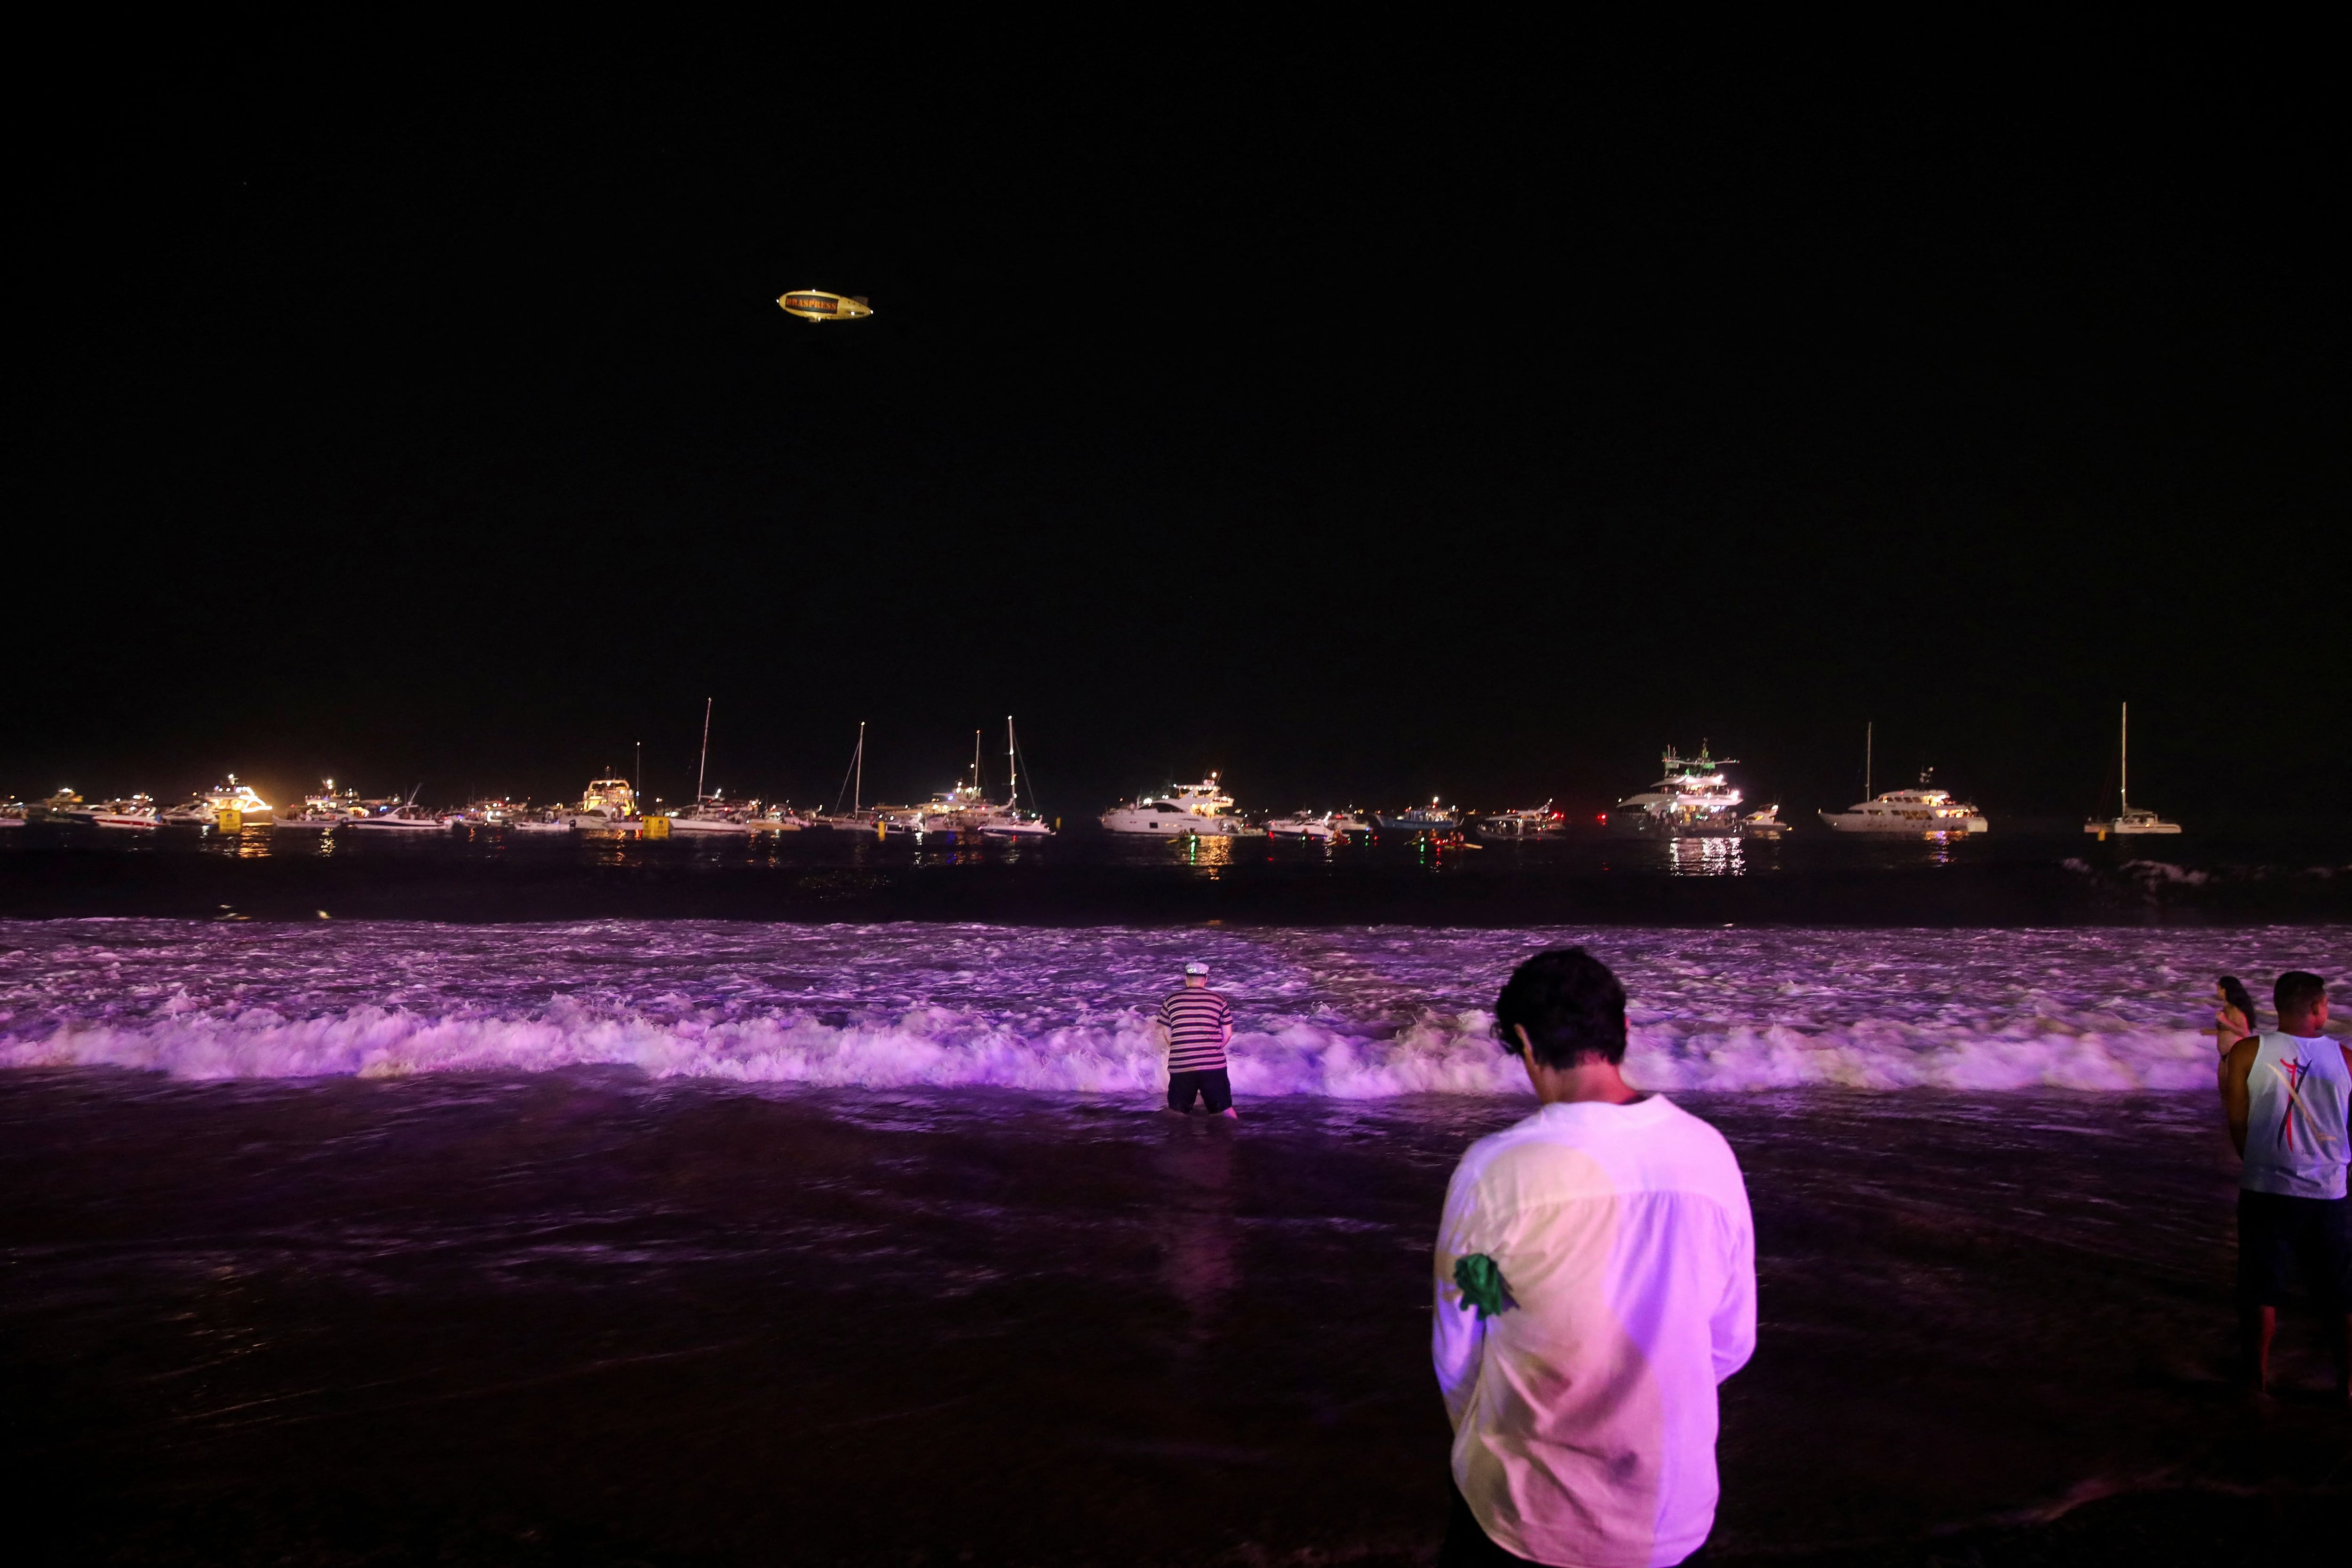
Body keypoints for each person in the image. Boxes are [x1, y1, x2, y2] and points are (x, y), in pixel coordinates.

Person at [1433, 948, 1754, 1567]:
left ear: (1524, 1040)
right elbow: (1731, 1339)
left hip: (1526, 1514)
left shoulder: (1497, 1171)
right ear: (1625, 1029)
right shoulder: (1708, 1154)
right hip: (1670, 1514)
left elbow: (1461, 1344)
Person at [2220, 970, 2351, 1398]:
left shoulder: (2246, 1052)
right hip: (2329, 1193)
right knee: (2338, 1290)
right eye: (2326, 1004)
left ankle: (2255, 1377)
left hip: (2265, 1189)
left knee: (2260, 1286)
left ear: (2278, 1007)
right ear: (2316, 1007)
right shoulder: (2347, 1058)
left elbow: (2238, 1121)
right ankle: (2347, 1381)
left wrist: (2259, 1161)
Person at [1159, 961, 1237, 1118]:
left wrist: (1184, 1050)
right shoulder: (1219, 1000)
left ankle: (1179, 1142)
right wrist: (1212, 1049)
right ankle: (1231, 1140)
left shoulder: (1171, 1000)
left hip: (1181, 1065)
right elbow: (1228, 1034)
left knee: (1178, 1114)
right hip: (1213, 1065)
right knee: (1225, 1111)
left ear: (1186, 979)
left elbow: (1168, 1035)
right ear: (1205, 979)